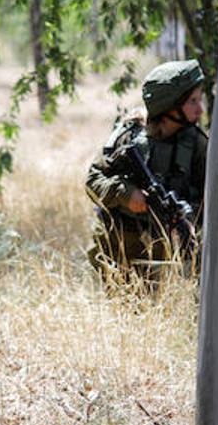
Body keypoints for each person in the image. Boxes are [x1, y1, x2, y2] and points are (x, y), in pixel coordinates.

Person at [86, 59, 207, 274]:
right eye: (192, 101)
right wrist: (126, 194)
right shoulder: (130, 137)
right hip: (119, 247)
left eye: (200, 99)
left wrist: (188, 218)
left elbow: (210, 197)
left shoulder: (196, 144)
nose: (201, 109)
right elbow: (93, 181)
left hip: (168, 255)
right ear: (169, 106)